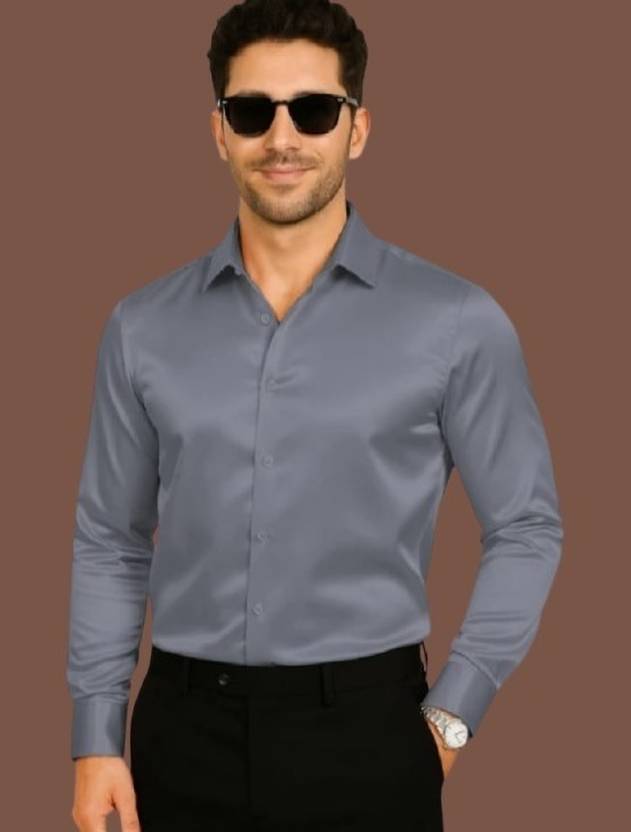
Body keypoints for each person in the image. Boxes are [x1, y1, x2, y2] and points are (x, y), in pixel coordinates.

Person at [66, 1, 564, 829]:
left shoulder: (456, 321)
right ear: (218, 131)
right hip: (180, 734)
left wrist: (453, 713)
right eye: (251, 111)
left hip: (370, 732)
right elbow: (111, 539)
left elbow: (526, 527)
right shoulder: (141, 326)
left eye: (313, 110)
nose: (282, 137)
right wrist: (95, 736)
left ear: (356, 129)